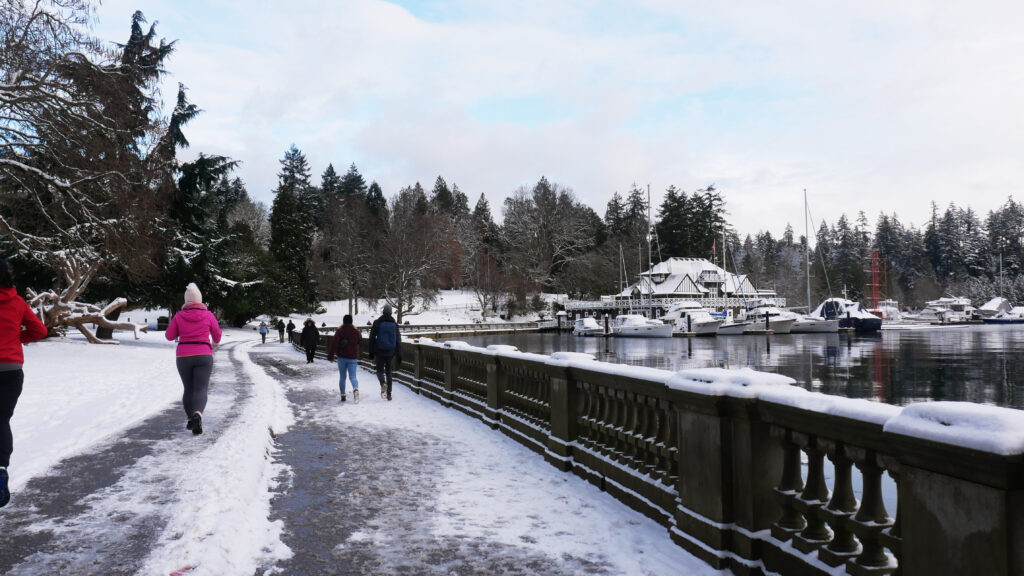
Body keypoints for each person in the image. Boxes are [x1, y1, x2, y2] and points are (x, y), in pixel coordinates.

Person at [0, 257, 48, 507]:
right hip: (11, 369)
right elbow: (40, 330)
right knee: (2, 419)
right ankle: (1, 469)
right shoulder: (17, 302)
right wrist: (18, 338)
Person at [165, 283, 222, 436]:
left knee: (188, 388)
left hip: (183, 356)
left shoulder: (178, 315)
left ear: (186, 300)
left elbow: (169, 336)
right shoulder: (208, 315)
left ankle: (191, 419)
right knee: (201, 388)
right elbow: (217, 334)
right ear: (200, 299)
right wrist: (214, 343)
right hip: (204, 354)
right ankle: (198, 414)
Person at [368, 304, 401, 401]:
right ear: (391, 312)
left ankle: (383, 383)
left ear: (383, 312)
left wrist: (371, 351)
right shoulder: (394, 324)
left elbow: (372, 338)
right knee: (389, 373)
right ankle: (389, 394)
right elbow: (398, 340)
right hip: (391, 352)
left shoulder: (377, 322)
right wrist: (399, 353)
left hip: (379, 351)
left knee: (379, 371)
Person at [327, 314, 362, 403]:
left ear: (343, 321)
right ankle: (355, 389)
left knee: (342, 377)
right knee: (353, 376)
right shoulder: (356, 331)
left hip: (342, 357)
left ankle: (343, 395)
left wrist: (331, 356)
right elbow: (359, 341)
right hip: (353, 357)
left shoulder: (340, 330)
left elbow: (334, 343)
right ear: (351, 321)